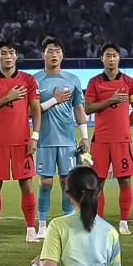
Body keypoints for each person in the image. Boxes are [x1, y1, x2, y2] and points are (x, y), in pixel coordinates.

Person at [0, 40, 42, 244]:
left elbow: (36, 108)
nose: (7, 56)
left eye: (11, 53)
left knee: (26, 183)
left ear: (16, 56)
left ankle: (30, 230)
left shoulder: (28, 79)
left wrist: (35, 136)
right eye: (3, 53)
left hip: (22, 141)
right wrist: (8, 97)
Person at [84, 43, 133, 236]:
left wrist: (125, 124)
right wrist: (110, 100)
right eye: (107, 56)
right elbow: (88, 108)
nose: (111, 59)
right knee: (97, 183)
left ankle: (123, 222)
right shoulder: (94, 82)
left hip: (122, 140)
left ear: (119, 58)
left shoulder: (129, 82)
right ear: (102, 59)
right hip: (100, 140)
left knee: (124, 180)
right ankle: (98, 220)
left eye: (114, 56)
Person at [34, 37, 88, 239]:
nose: (54, 54)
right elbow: (32, 111)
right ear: (43, 54)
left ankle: (67, 223)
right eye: (50, 51)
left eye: (57, 50)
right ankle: (41, 226)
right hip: (45, 141)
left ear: (62, 55)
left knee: (67, 183)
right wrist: (53, 100)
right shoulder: (35, 80)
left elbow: (79, 108)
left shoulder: (73, 79)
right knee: (45, 183)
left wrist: (84, 137)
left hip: (67, 141)